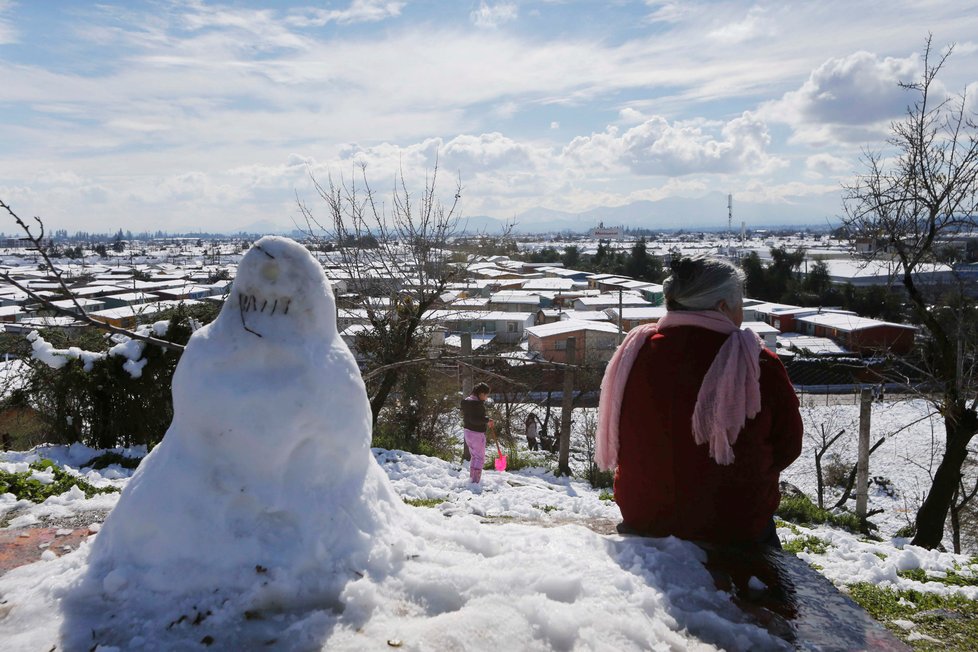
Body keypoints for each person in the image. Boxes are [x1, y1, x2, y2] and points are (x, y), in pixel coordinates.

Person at [595, 256, 803, 547]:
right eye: (739, 304)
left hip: (645, 516)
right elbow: (788, 446)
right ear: (722, 307)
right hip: (732, 524)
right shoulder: (756, 363)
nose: (742, 312)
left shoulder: (636, 354)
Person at [461, 382, 493, 484]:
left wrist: (485, 419)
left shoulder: (467, 402)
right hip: (476, 433)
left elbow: (471, 418)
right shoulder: (476, 404)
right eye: (486, 394)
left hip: (468, 432)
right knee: (479, 457)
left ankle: (472, 479)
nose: (487, 397)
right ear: (481, 393)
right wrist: (486, 420)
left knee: (475, 456)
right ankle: (475, 481)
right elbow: (475, 419)